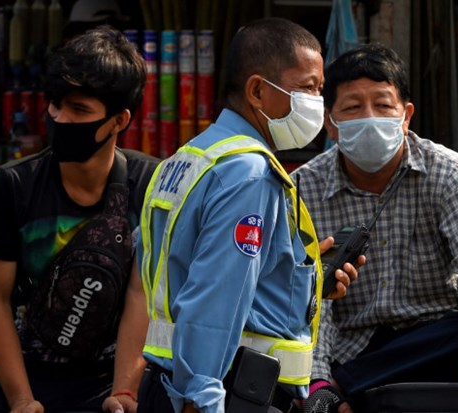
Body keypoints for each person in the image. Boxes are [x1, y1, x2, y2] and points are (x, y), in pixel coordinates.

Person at [129, 17, 358, 413]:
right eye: (307, 87)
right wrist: (202, 397)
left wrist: (303, 278)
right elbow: (214, 295)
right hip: (229, 393)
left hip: (172, 385)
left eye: (320, 90)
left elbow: (188, 271)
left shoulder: (189, 158)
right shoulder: (249, 174)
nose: (317, 102)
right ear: (257, 91)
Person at [0, 26, 159, 413]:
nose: (59, 117)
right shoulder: (13, 184)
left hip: (112, 378)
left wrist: (124, 392)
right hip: (28, 376)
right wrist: (21, 399)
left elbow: (140, 295)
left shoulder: (150, 184)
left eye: (79, 109)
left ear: (119, 121)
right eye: (55, 104)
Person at [294, 43, 458, 413]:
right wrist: (318, 380)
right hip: (352, 346)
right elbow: (308, 303)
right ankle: (339, 382)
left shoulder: (450, 173)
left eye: (383, 105)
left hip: (436, 340)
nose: (369, 117)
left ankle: (349, 383)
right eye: (353, 108)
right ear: (330, 123)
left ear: (406, 116)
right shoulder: (304, 189)